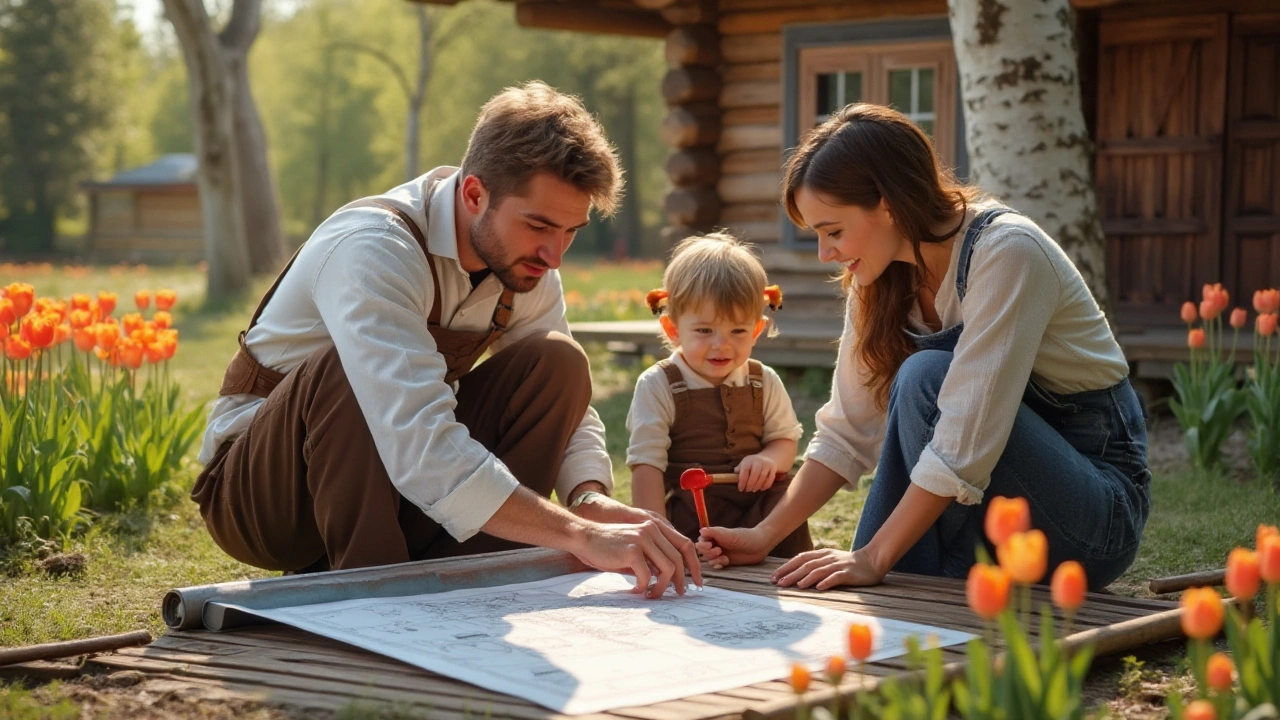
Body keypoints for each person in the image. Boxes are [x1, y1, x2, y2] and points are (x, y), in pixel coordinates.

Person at [193, 81, 700, 598]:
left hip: (395, 488)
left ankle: (465, 585)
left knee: (558, 364)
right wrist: (579, 535)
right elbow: (420, 444)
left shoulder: (528, 265)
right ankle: (371, 596)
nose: (555, 256)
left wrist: (588, 499)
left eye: (570, 231)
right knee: (348, 368)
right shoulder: (374, 249)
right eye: (539, 226)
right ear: (475, 193)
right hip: (263, 499)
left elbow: (569, 409)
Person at [698, 103, 1151, 592]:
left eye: (833, 231)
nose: (825, 253)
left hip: (1091, 521)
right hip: (985, 519)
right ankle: (920, 584)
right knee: (922, 380)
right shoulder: (878, 277)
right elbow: (848, 431)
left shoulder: (1009, 252)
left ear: (888, 204)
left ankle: (911, 575)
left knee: (925, 377)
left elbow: (965, 441)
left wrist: (874, 556)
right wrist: (764, 534)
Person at [626, 233, 812, 556]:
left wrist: (768, 458)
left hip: (759, 515)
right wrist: (658, 536)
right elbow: (647, 467)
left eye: (737, 331)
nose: (721, 344)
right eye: (704, 331)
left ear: (756, 329)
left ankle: (786, 564)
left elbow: (785, 440)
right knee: (682, 524)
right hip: (691, 520)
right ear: (673, 329)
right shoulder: (658, 385)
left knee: (788, 487)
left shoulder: (762, 381)